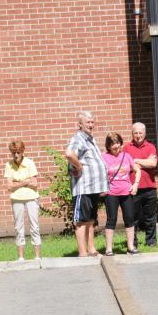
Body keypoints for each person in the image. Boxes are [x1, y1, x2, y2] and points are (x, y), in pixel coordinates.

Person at [64, 110, 108, 257]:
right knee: (81, 221)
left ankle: (91, 250)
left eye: (92, 122)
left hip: (92, 188)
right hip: (83, 188)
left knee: (90, 220)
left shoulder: (90, 138)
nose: (91, 124)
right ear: (80, 124)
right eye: (87, 122)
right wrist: (79, 166)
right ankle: (83, 253)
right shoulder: (78, 138)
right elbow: (69, 154)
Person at [101, 132, 141, 256]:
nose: (115, 146)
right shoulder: (103, 157)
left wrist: (135, 184)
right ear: (108, 146)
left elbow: (137, 169)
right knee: (111, 220)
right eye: (112, 144)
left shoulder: (126, 156)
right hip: (111, 193)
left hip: (126, 192)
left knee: (129, 219)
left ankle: (130, 247)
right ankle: (109, 249)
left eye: (117, 143)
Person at [4, 139, 41, 261]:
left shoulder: (30, 163)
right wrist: (26, 181)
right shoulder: (8, 165)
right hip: (16, 198)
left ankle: (37, 256)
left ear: (23, 151)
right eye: (13, 152)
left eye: (18, 152)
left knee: (34, 226)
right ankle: (21, 256)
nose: (16, 155)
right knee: (18, 227)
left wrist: (18, 183)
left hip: (31, 197)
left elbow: (35, 184)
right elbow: (9, 187)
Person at [124, 122, 158, 248]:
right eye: (135, 133)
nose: (138, 135)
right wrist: (146, 161)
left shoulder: (151, 147)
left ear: (145, 133)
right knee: (133, 218)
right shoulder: (127, 148)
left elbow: (153, 164)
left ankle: (151, 241)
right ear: (132, 134)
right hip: (133, 188)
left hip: (150, 187)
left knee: (150, 217)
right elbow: (126, 166)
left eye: (140, 133)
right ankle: (133, 242)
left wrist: (135, 161)